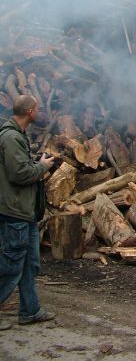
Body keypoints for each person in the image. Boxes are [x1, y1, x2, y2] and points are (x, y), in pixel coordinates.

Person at [0, 94, 56, 326]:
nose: (40, 111)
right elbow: (19, 174)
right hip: (14, 211)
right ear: (30, 111)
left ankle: (30, 310)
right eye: (38, 108)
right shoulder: (11, 137)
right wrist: (41, 167)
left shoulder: (18, 135)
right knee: (12, 264)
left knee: (29, 264)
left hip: (25, 211)